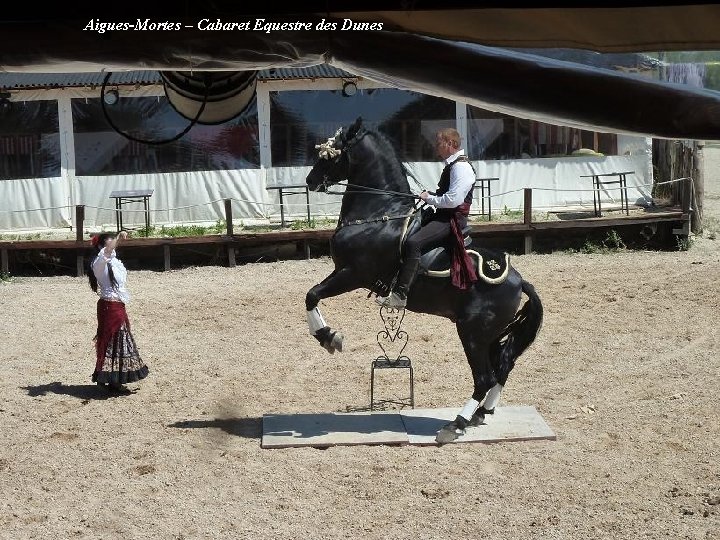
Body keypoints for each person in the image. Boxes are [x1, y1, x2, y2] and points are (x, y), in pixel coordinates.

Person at [376, 128, 478, 309]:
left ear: (449, 144)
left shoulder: (461, 167)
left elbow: (453, 200)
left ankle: (400, 295)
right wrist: (428, 194)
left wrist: (429, 198)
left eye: (439, 143)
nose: (436, 147)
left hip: (451, 220)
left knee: (414, 242)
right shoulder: (453, 165)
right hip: (444, 214)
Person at [88, 230, 149, 393]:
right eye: (110, 242)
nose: (113, 245)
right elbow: (107, 251)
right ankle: (110, 379)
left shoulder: (114, 261)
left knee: (119, 341)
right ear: (102, 246)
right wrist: (119, 238)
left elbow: (110, 251)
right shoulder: (99, 263)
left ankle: (112, 378)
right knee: (113, 340)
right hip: (109, 307)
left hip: (116, 305)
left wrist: (117, 239)